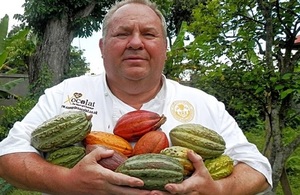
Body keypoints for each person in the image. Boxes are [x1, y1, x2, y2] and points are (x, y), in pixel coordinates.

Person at [0, 0, 272, 194]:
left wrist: (219, 189)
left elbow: (258, 169)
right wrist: (67, 182)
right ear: (102, 47)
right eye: (122, 33)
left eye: (149, 34)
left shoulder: (202, 103)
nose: (136, 43)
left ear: (165, 47)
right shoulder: (66, 95)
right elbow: (7, 156)